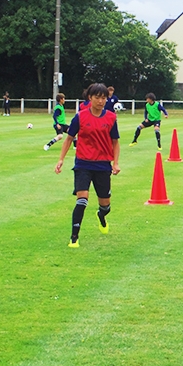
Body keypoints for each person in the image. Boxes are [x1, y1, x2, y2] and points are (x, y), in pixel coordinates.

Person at [54, 83, 121, 248]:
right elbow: (69, 138)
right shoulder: (80, 116)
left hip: (103, 165)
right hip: (83, 164)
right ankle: (74, 238)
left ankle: (101, 215)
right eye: (97, 97)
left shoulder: (111, 118)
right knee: (82, 200)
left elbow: (115, 142)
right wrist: (61, 159)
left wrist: (116, 162)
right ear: (90, 98)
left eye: (104, 97)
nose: (101, 101)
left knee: (106, 206)